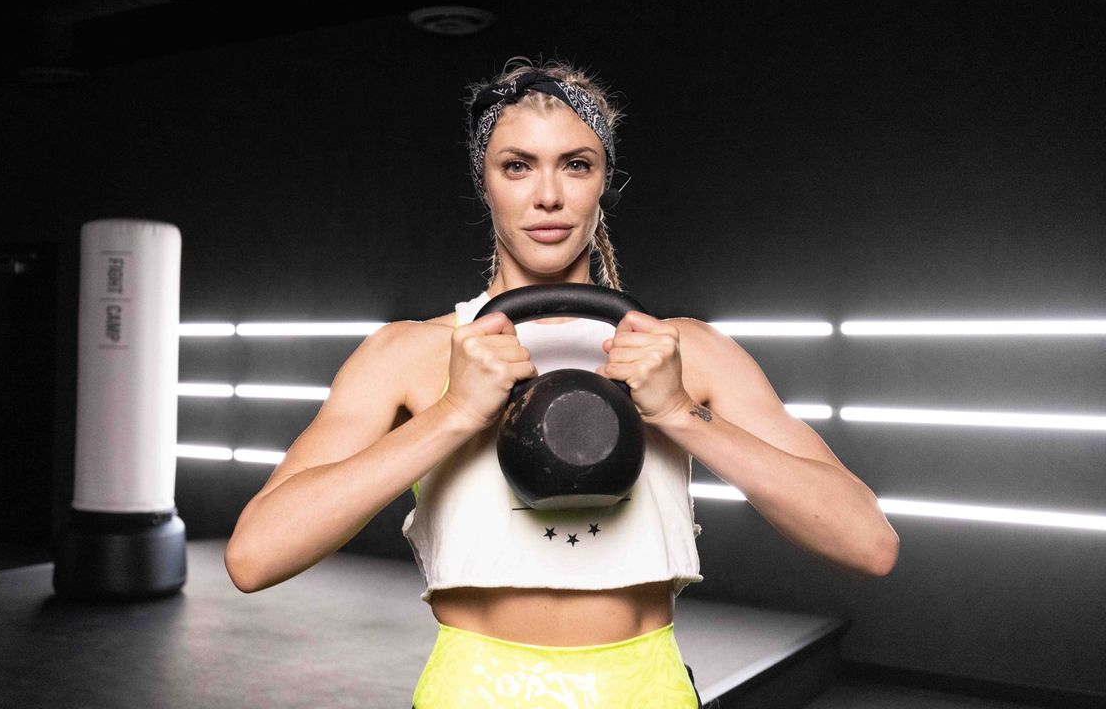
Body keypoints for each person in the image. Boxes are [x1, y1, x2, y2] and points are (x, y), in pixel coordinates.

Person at [225, 55, 900, 708]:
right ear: (484, 180)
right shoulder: (409, 355)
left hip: (645, 689)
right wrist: (454, 413)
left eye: (575, 165)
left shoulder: (683, 351)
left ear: (603, 178)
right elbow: (254, 558)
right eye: (517, 166)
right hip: (477, 691)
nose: (547, 195)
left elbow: (869, 543)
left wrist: (677, 410)